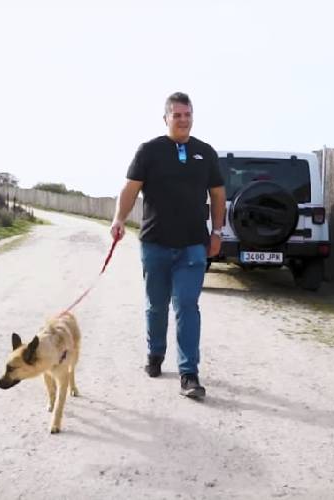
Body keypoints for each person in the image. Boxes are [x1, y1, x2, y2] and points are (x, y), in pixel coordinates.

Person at [110, 92, 226, 399]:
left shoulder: (206, 153)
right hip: (156, 243)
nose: (184, 120)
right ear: (166, 118)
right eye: (177, 115)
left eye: (188, 114)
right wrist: (119, 219)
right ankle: (155, 354)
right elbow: (130, 189)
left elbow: (217, 195)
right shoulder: (149, 151)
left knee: (187, 305)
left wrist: (217, 231)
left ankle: (189, 373)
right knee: (157, 305)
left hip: (192, 245)